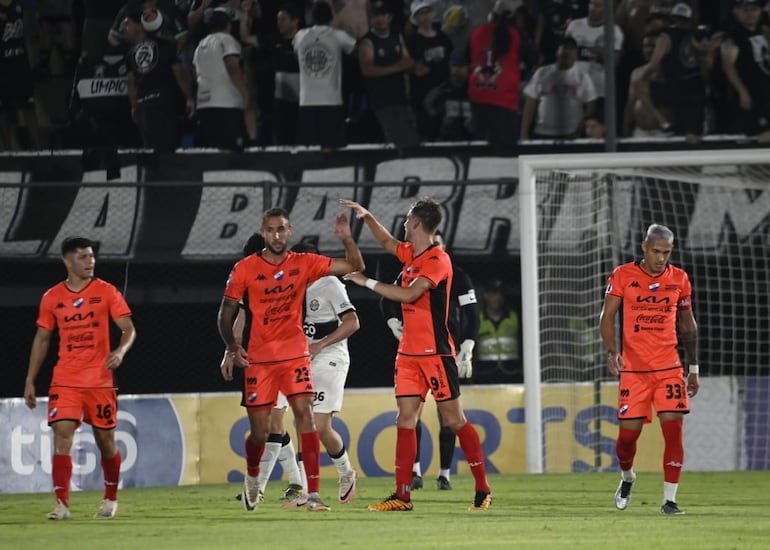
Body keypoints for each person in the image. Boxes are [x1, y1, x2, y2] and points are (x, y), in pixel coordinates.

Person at [340, 197, 492, 512]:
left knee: (453, 420)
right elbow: (385, 241)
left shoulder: (439, 260)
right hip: (408, 354)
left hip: (436, 353)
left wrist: (366, 282)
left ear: (417, 223)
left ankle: (482, 490)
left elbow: (410, 293)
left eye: (408, 218)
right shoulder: (411, 254)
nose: (404, 223)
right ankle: (402, 495)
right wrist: (367, 217)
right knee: (405, 419)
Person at [217, 206, 364, 513]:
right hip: (261, 361)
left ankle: (312, 493)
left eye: (281, 229)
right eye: (270, 230)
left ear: (289, 231)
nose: (276, 235)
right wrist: (231, 348)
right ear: (263, 233)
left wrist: (348, 239)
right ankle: (254, 478)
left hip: (304, 355)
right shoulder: (245, 269)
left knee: (309, 420)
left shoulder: (307, 267)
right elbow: (232, 313)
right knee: (263, 430)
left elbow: (354, 266)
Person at [23, 237, 137, 520]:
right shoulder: (52, 298)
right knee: (62, 435)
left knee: (106, 442)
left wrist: (120, 351)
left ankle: (110, 499)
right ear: (68, 261)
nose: (90, 262)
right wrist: (30, 380)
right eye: (83, 257)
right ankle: (62, 505)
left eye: (91, 256)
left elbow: (128, 328)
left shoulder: (106, 292)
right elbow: (42, 338)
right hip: (65, 380)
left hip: (100, 381)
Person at [599, 223, 700, 515]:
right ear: (644, 247)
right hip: (634, 370)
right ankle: (628, 476)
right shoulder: (622, 275)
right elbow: (607, 317)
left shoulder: (679, 279)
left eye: (666, 253)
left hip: (669, 366)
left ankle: (669, 499)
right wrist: (612, 352)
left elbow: (687, 324)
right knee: (627, 439)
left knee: (674, 430)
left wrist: (693, 367)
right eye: (656, 251)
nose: (661, 258)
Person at [380, 229, 479, 491]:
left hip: (444, 352)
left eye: (437, 243)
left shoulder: (456, 274)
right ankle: (412, 476)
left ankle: (448, 474)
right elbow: (388, 299)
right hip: (413, 352)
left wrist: (467, 348)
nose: (431, 247)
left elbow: (472, 314)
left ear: (443, 246)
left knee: (450, 419)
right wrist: (394, 324)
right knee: (410, 417)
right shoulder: (411, 268)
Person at [219, 233, 305, 507]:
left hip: (288, 357)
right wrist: (230, 350)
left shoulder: (288, 275)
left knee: (273, 426)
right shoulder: (252, 280)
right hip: (262, 360)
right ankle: (295, 482)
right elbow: (242, 316)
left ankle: (254, 489)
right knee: (271, 427)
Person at [124, 7, 195, 152]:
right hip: (163, 106)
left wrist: (134, 106)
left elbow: (131, 83)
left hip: (143, 107)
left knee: (149, 153)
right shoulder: (167, 46)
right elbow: (178, 73)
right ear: (162, 24)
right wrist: (189, 98)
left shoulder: (132, 52)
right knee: (166, 155)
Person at [293, 0, 357, 149]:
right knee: (332, 151)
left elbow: (297, 54)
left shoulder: (300, 36)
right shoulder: (339, 36)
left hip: (306, 101)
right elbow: (358, 52)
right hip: (331, 101)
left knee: (308, 150)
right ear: (331, 17)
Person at [358, 0, 420, 151]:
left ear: (389, 17)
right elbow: (368, 70)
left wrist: (413, 67)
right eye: (375, 16)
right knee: (395, 144)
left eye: (383, 15)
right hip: (383, 103)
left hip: (401, 99)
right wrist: (398, 66)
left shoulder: (397, 36)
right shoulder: (367, 42)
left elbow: (407, 60)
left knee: (412, 141)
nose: (379, 19)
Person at [192, 7, 255, 151]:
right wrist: (245, 94)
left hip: (204, 105)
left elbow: (195, 74)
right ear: (228, 25)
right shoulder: (227, 40)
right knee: (230, 153)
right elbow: (232, 67)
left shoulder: (200, 45)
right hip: (227, 105)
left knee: (212, 152)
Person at [464, 0, 522, 153]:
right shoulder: (515, 34)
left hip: (478, 94)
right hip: (503, 98)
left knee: (480, 149)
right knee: (504, 150)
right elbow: (534, 57)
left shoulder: (476, 32)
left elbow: (467, 59)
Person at [520, 35, 597, 140]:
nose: (567, 52)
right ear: (557, 52)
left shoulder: (582, 76)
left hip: (571, 134)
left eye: (571, 49)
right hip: (542, 132)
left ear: (576, 55)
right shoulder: (542, 73)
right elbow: (530, 104)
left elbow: (590, 108)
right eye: (564, 48)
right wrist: (524, 132)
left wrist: (580, 130)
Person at [719, 0, 770, 141]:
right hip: (750, 93)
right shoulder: (733, 35)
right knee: (761, 135)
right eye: (745, 10)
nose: (750, 14)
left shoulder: (763, 31)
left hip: (765, 92)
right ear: (736, 12)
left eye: (754, 9)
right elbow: (728, 66)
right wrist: (742, 92)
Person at [475, 278, 521, 383]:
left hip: (512, 374)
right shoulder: (478, 319)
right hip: (485, 376)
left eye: (500, 293)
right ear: (486, 296)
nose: (497, 297)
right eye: (494, 293)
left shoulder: (514, 317)